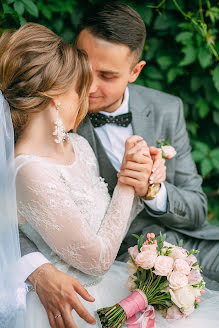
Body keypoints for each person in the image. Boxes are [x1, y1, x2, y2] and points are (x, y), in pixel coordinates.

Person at [17, 2, 219, 327]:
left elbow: (196, 206)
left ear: (135, 71)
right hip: (115, 261)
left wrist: (152, 188)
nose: (90, 86)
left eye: (108, 76)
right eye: (84, 67)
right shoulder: (51, 122)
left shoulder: (166, 108)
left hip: (186, 240)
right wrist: (37, 269)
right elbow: (15, 208)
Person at [0, 21, 162, 328]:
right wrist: (126, 183)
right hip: (73, 306)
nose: (87, 96)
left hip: (109, 288)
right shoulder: (28, 170)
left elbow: (107, 227)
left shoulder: (79, 144)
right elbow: (96, 260)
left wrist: (142, 180)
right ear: (56, 98)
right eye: (80, 88)